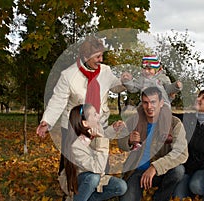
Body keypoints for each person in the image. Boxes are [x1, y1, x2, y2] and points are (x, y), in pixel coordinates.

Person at [36, 36, 125, 174]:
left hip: (99, 123)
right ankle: (69, 189)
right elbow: (58, 100)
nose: (101, 60)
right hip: (75, 126)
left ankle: (100, 189)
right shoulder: (68, 75)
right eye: (97, 56)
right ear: (85, 56)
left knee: (100, 159)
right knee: (70, 162)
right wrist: (46, 121)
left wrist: (124, 81)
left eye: (102, 55)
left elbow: (116, 87)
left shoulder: (105, 71)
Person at [118, 86, 188, 201]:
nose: (149, 107)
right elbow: (121, 143)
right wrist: (128, 140)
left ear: (161, 103)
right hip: (137, 171)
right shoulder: (134, 120)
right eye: (145, 103)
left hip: (161, 172)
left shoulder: (174, 123)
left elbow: (181, 153)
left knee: (178, 171)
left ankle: (159, 197)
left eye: (153, 102)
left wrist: (155, 167)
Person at [58, 103, 127, 201]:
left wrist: (113, 129)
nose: (98, 115)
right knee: (93, 178)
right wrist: (101, 139)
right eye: (94, 114)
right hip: (80, 179)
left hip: (95, 177)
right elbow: (98, 167)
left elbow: (99, 138)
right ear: (85, 123)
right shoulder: (76, 145)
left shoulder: (89, 133)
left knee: (121, 186)